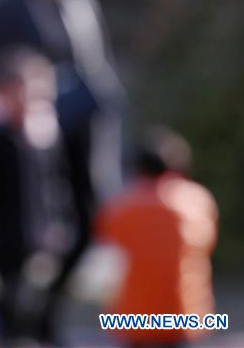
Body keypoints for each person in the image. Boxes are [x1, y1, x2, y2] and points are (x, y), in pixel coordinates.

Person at [0, 0, 123, 337]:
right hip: (24, 148)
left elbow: (96, 64)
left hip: (78, 138)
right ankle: (17, 322)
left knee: (86, 225)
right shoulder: (5, 1)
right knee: (19, 245)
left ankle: (45, 315)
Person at [0, 49, 61, 341]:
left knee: (29, 297)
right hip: (0, 234)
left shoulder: (40, 139)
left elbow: (51, 187)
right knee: (2, 297)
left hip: (32, 231)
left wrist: (53, 223)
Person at [95, 128, 218, 348]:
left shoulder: (121, 207)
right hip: (184, 312)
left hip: (133, 316)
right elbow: (207, 244)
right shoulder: (198, 201)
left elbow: (108, 248)